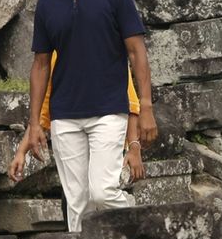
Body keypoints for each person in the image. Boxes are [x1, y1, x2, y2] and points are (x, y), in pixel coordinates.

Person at [22, 0, 157, 232]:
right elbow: (40, 65)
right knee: (78, 202)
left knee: (102, 191)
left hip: (109, 109)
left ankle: (146, 229)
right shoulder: (46, 5)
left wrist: (146, 107)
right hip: (65, 115)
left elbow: (137, 52)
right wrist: (33, 124)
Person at [8, 51, 145, 186]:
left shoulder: (106, 42)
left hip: (107, 138)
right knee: (75, 198)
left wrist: (134, 145)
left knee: (103, 193)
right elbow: (43, 112)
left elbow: (130, 102)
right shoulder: (57, 53)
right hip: (71, 141)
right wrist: (21, 151)